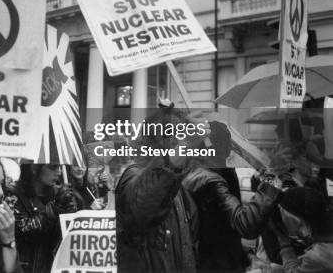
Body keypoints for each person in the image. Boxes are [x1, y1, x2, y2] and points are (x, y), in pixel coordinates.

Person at [115, 106, 206, 273]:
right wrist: (185, 145)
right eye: (177, 135)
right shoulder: (132, 175)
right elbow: (141, 206)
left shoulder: (179, 186)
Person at [182, 121, 280, 272]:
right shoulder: (210, 180)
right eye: (228, 143)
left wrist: (246, 255)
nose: (231, 149)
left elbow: (220, 231)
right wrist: (271, 179)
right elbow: (246, 225)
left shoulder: (200, 171)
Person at [6, 163, 79, 273]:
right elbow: (22, 230)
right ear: (34, 168)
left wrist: (71, 210)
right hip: (25, 267)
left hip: (52, 265)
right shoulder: (13, 192)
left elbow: (68, 235)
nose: (59, 172)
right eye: (53, 167)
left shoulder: (58, 192)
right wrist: (55, 208)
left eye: (60, 167)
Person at [261, 186, 333, 272]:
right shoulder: (324, 236)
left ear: (297, 220)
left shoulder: (318, 255)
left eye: (282, 210)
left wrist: (284, 242)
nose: (280, 216)